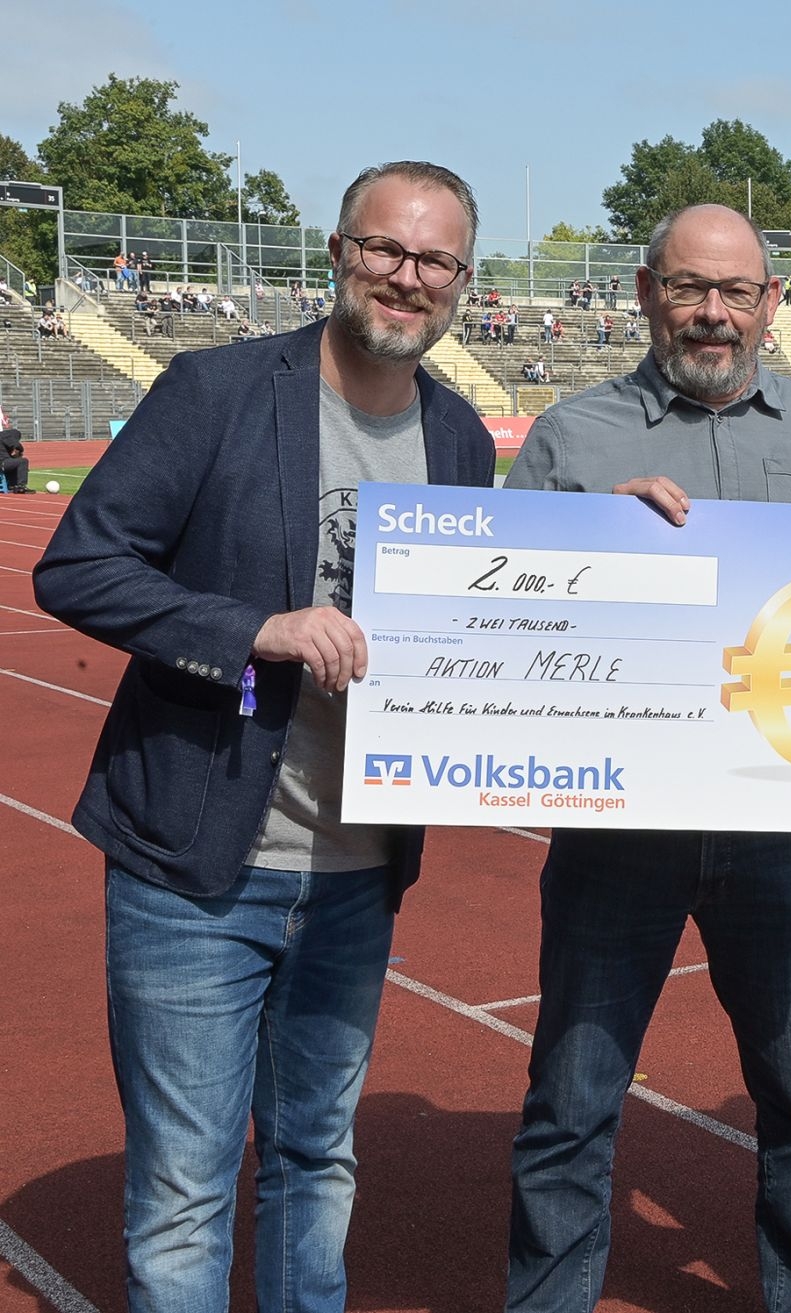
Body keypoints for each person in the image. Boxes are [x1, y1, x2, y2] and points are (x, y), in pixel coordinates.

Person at [32, 161, 494, 1313]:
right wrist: (254, 629)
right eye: (385, 248)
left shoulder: (459, 435)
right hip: (196, 863)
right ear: (339, 252)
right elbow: (79, 564)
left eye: (434, 260)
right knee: (184, 1194)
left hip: (357, 870)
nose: (407, 277)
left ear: (462, 282)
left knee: (316, 1160)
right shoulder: (217, 389)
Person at [503, 203, 791, 1313]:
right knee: (571, 1099)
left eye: (736, 291)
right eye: (688, 287)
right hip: (617, 830)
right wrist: (587, 545)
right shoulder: (570, 437)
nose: (713, 312)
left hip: (781, 828)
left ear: (771, 303)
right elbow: (503, 621)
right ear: (644, 292)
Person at [1, 426, 31, 492]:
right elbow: (17, 446)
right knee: (23, 461)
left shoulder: (3, 438)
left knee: (13, 462)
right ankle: (21, 486)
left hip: (3, 462)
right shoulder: (9, 436)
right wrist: (20, 452)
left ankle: (12, 485)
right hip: (2, 463)